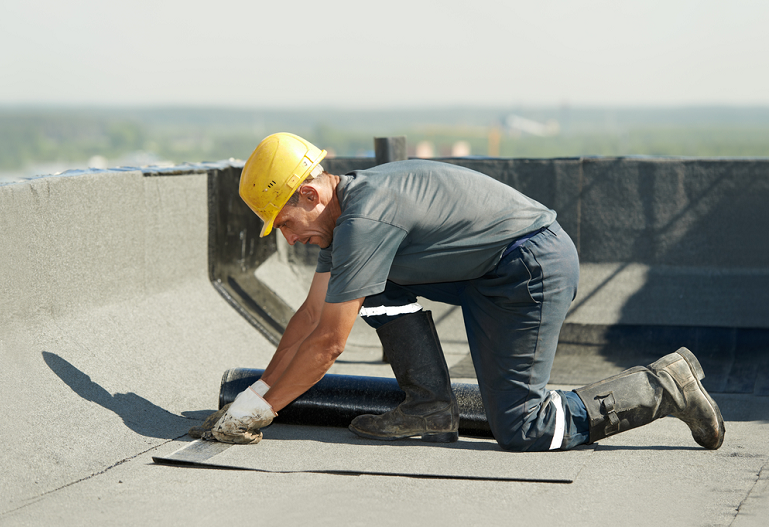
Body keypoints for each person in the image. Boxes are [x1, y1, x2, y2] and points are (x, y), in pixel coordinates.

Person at [206, 132, 725, 452]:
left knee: (525, 428)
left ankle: (661, 387)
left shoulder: (365, 218)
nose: (289, 237)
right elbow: (310, 319)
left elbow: (327, 345)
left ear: (310, 193)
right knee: (367, 283)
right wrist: (255, 395)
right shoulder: (344, 224)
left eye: (286, 221)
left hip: (529, 270)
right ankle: (430, 406)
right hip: (488, 271)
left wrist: (259, 412)